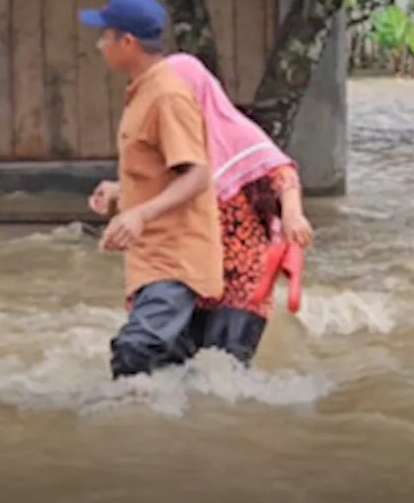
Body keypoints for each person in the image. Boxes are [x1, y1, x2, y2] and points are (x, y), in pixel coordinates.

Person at [92, 52, 315, 368]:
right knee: (173, 364)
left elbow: (282, 174)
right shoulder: (176, 137)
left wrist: (292, 214)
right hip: (191, 266)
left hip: (243, 277)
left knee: (225, 371)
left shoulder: (237, 132)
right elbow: (165, 184)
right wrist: (119, 191)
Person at [79, 0, 224, 379]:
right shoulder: (144, 92)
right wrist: (122, 192)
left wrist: (140, 213)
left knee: (134, 351)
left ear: (127, 42)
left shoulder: (166, 97)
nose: (98, 45)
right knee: (170, 368)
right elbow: (165, 173)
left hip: (175, 260)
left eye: (104, 36)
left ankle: (128, 435)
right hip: (153, 257)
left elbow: (197, 175)